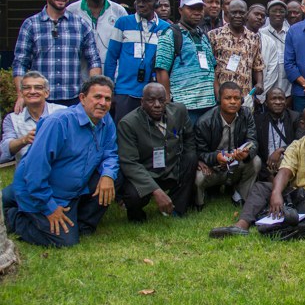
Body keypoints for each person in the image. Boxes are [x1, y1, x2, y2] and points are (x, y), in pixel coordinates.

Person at [1, 76, 119, 247]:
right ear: (82, 98)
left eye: (107, 99)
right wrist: (49, 207)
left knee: (117, 175)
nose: (102, 102)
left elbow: (110, 152)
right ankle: (12, 216)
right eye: (97, 97)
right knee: (65, 241)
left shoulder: (106, 121)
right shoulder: (58, 123)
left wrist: (108, 174)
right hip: (42, 192)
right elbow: (34, 171)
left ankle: (81, 223)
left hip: (73, 191)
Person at [209, 105, 305, 237]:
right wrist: (276, 193)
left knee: (293, 214)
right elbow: (285, 171)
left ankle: (280, 218)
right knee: (261, 188)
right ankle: (241, 225)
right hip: (299, 193)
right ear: (303, 125)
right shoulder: (296, 145)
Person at [12, 0, 101, 111]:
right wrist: (21, 95)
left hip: (74, 100)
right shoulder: (31, 25)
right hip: (41, 100)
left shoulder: (80, 24)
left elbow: (94, 60)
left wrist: (93, 92)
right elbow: (20, 63)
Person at [117, 83, 197, 222]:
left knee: (191, 158)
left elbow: (189, 137)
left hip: (171, 169)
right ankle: (137, 216)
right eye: (151, 100)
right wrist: (156, 190)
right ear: (142, 102)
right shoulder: (128, 124)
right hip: (146, 172)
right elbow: (130, 163)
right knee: (132, 195)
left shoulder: (179, 111)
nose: (157, 105)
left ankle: (177, 208)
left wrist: (190, 157)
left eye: (161, 100)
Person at [105, 0, 170, 123]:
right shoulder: (123, 22)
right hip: (125, 92)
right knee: (123, 132)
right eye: (138, 0)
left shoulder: (166, 28)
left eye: (146, 0)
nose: (141, 4)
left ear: (156, 2)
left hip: (154, 95)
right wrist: (109, 90)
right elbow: (111, 58)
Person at [194, 82, 261, 210]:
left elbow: (253, 141)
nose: (233, 102)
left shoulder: (246, 114)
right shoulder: (205, 121)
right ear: (220, 100)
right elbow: (199, 152)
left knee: (256, 161)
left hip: (236, 162)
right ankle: (199, 202)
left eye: (236, 98)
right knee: (198, 176)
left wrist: (247, 153)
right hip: (214, 167)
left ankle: (240, 196)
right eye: (228, 98)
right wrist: (216, 157)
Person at [155, 0, 217, 125]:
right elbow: (161, 70)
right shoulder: (170, 34)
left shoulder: (204, 36)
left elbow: (212, 68)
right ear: (180, 10)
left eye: (199, 9)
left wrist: (217, 98)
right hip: (184, 106)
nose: (196, 12)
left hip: (209, 105)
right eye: (191, 8)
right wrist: (166, 102)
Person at [66, 0, 127, 76]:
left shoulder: (118, 11)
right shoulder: (72, 11)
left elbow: (126, 44)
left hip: (112, 76)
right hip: (79, 76)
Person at [0, 72, 66, 165]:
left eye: (38, 87)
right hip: (26, 173)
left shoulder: (63, 112)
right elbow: (5, 150)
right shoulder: (12, 119)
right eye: (27, 88)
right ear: (22, 93)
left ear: (46, 93)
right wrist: (24, 140)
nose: (32, 91)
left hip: (59, 170)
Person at [209, 0, 264, 100]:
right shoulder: (214, 35)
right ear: (227, 14)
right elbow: (209, 68)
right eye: (234, 12)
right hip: (222, 95)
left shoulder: (254, 38)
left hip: (245, 95)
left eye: (241, 13)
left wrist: (260, 83)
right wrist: (217, 94)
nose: (238, 15)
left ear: (247, 15)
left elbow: (258, 66)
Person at [254, 87, 305, 182]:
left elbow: (301, 143)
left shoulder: (295, 117)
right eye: (273, 99)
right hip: (267, 169)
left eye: (281, 99)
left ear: (286, 102)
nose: (278, 102)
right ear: (266, 103)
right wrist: (269, 176)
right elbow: (257, 151)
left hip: (290, 165)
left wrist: (281, 150)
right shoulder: (258, 121)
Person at [245, 3, 279, 107]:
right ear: (247, 15)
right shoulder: (234, 39)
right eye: (256, 14)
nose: (260, 17)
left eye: (263, 16)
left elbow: (272, 73)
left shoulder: (269, 42)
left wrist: (258, 96)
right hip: (237, 96)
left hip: (260, 98)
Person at [261, 0, 292, 100]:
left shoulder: (292, 33)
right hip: (266, 91)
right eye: (274, 11)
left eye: (281, 11)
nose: (278, 14)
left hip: (287, 91)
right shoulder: (260, 34)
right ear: (268, 13)